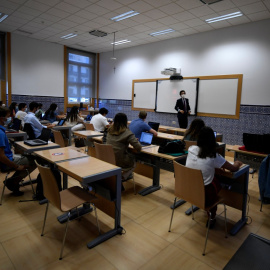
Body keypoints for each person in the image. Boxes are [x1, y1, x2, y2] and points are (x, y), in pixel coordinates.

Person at [185, 126, 242, 228]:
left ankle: (204, 208)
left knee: (212, 178)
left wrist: (213, 168)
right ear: (213, 140)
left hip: (189, 191)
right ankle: (212, 218)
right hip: (205, 196)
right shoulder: (213, 155)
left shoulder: (191, 149)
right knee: (216, 182)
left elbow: (200, 164)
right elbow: (233, 169)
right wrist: (237, 163)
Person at [0, 107, 36, 196]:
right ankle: (13, 182)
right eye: (8, 116)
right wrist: (16, 166)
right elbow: (1, 156)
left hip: (8, 157)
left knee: (27, 157)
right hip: (7, 160)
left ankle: (13, 181)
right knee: (35, 161)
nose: (10, 118)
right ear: (2, 118)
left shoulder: (1, 131)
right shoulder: (0, 133)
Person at [104, 113, 142, 180]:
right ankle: (122, 177)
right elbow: (138, 147)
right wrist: (135, 141)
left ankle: (119, 177)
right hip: (120, 160)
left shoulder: (109, 130)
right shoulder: (127, 133)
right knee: (134, 162)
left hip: (108, 158)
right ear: (125, 121)